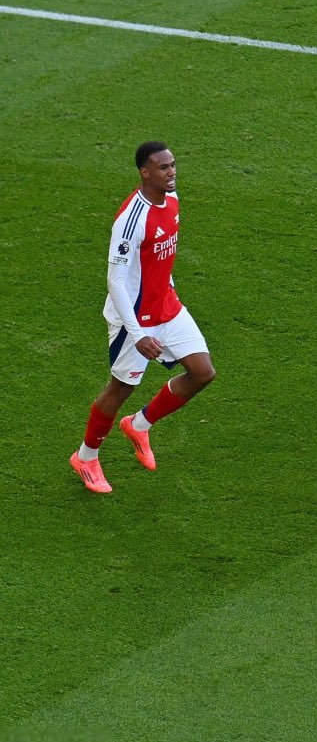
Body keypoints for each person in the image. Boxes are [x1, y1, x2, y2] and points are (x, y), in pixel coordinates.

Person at [69, 141, 216, 493]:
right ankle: (86, 457)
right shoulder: (131, 219)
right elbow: (115, 280)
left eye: (173, 165)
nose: (172, 172)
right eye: (163, 167)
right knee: (121, 387)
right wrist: (137, 333)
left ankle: (139, 424)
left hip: (166, 305)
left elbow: (160, 257)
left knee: (202, 372)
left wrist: (167, 288)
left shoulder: (174, 199)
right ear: (144, 172)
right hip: (133, 317)